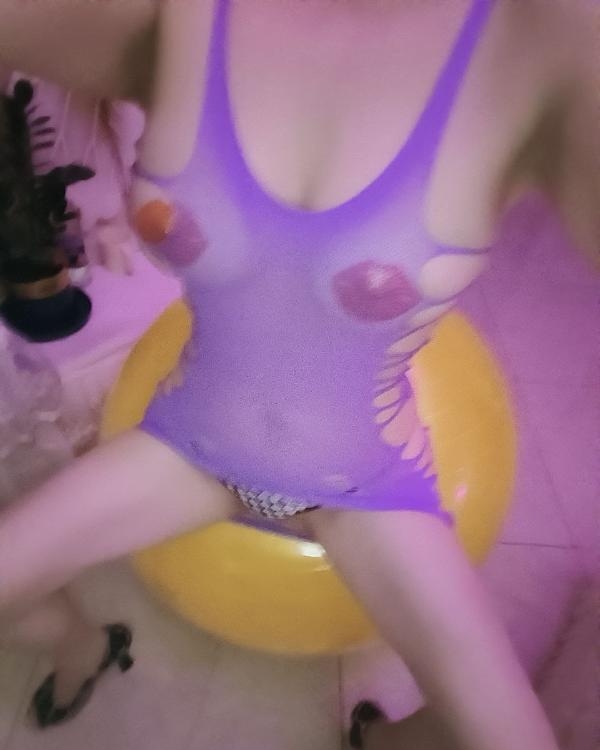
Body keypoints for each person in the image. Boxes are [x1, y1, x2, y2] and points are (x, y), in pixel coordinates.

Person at [0, 0, 597, 745]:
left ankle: (389, 740)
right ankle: (79, 646)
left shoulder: (550, 36)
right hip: (185, 446)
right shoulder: (177, 12)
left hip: (370, 488)